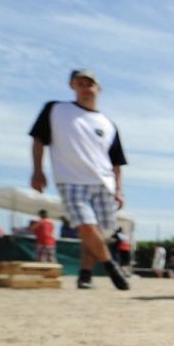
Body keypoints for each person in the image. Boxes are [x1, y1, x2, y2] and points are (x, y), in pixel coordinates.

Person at [28, 69, 130, 290]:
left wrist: (119, 190)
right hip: (71, 180)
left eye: (89, 84)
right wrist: (37, 170)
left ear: (98, 88)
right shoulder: (56, 110)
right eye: (80, 84)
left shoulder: (108, 124)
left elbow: (116, 163)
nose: (85, 88)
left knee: (98, 232)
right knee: (85, 226)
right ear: (72, 87)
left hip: (104, 183)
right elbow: (39, 140)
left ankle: (85, 275)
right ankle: (111, 266)